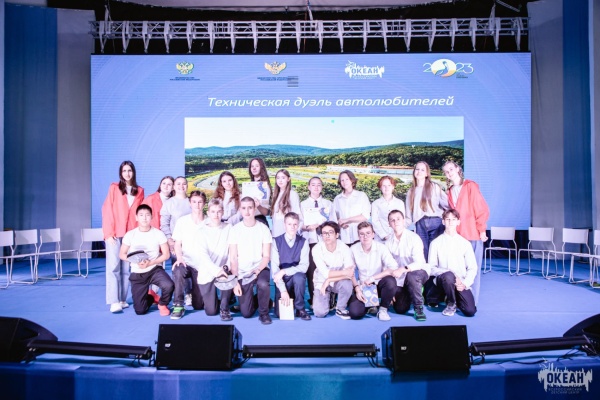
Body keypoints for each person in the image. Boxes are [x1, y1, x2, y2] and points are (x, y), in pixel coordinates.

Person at [442, 160, 489, 305]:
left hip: (472, 234)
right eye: (446, 171)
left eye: (451, 169)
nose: (449, 173)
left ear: (457, 169)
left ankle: (471, 301)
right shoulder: (450, 191)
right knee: (458, 269)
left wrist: (482, 229)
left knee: (472, 269)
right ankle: (458, 298)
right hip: (457, 236)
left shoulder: (470, 186)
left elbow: (481, 209)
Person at [102, 160, 144, 313]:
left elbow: (140, 213)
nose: (127, 173)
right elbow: (107, 210)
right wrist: (108, 234)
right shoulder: (114, 188)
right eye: (124, 170)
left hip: (130, 235)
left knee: (126, 269)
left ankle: (122, 299)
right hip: (114, 233)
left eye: (129, 170)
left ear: (133, 172)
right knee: (113, 267)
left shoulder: (140, 190)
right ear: (121, 173)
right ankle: (113, 301)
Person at [119, 204, 173, 316]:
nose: (144, 218)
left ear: (152, 217)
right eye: (141, 215)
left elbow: (166, 255)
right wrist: (135, 261)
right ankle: (151, 297)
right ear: (136, 217)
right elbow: (122, 254)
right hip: (137, 272)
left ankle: (162, 304)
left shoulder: (158, 233)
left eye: (147, 215)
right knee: (140, 311)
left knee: (169, 285)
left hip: (154, 269)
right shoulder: (130, 235)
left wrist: (151, 263)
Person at [425, 209, 478, 317]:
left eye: (453, 219)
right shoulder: (435, 243)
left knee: (470, 311)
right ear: (443, 221)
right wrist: (451, 274)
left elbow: (472, 268)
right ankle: (451, 303)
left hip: (460, 282)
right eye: (448, 219)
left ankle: (450, 296)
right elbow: (431, 268)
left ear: (458, 222)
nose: (450, 222)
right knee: (449, 276)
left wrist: (465, 283)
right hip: (442, 280)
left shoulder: (465, 243)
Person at [229, 196, 273, 324]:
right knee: (246, 313)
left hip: (260, 268)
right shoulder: (235, 230)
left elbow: (266, 256)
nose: (247, 211)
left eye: (250, 208)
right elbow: (233, 258)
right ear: (240, 210)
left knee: (263, 284)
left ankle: (264, 313)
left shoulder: (263, 228)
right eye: (244, 208)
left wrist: (258, 270)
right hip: (242, 271)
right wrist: (235, 281)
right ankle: (264, 300)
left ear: (254, 209)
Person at [347, 222, 398, 321]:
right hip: (363, 286)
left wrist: (373, 278)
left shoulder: (381, 247)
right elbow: (349, 272)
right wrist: (357, 289)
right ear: (358, 236)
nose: (365, 236)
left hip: (379, 284)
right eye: (362, 234)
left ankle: (383, 309)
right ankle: (370, 305)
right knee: (355, 313)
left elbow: (393, 267)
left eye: (368, 233)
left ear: (373, 234)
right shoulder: (353, 249)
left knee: (390, 281)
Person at [386, 209, 430, 321]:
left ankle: (418, 308)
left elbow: (419, 262)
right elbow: (387, 266)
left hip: (418, 272)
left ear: (404, 220)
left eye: (398, 219)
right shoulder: (388, 242)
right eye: (392, 220)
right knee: (400, 308)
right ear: (389, 223)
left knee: (412, 276)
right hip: (400, 278)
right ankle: (413, 291)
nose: (395, 222)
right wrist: (389, 291)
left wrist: (403, 269)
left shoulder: (414, 238)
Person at [170, 191, 208, 319]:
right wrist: (179, 258)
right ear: (190, 203)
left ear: (204, 203)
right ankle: (178, 305)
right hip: (186, 262)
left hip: (202, 266)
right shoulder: (182, 221)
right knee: (178, 269)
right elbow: (177, 243)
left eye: (200, 202)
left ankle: (193, 294)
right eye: (194, 202)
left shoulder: (209, 222)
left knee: (198, 305)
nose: (197, 205)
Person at [405, 161, 449, 261]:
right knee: (423, 250)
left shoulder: (435, 187)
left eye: (422, 170)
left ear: (426, 173)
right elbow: (408, 215)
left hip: (436, 222)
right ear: (414, 172)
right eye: (417, 169)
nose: (419, 172)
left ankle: (437, 270)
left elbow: (447, 204)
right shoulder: (411, 191)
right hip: (420, 223)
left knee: (435, 250)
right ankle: (426, 270)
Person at [271, 212, 311, 321]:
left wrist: (284, 271)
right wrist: (283, 291)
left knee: (299, 277)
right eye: (289, 224)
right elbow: (275, 270)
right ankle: (287, 297)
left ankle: (300, 308)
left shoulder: (303, 242)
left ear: (298, 225)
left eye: (295, 224)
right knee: (279, 314)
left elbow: (304, 267)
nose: (292, 227)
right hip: (282, 280)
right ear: (284, 225)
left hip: (296, 279)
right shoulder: (276, 241)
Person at [311, 221, 354, 319]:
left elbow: (350, 273)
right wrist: (342, 273)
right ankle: (330, 298)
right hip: (321, 281)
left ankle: (340, 308)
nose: (327, 235)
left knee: (347, 284)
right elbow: (326, 273)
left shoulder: (345, 248)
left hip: (338, 281)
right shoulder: (316, 249)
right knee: (319, 313)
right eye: (324, 233)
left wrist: (329, 280)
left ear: (337, 234)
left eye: (330, 232)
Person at [300, 176, 333, 306]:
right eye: (313, 184)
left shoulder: (328, 204)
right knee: (312, 271)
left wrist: (325, 226)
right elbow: (299, 224)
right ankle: (314, 300)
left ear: (322, 187)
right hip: (310, 241)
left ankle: (330, 299)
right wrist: (308, 227)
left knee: (328, 269)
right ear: (309, 187)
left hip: (326, 242)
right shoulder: (303, 205)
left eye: (319, 184)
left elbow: (334, 223)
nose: (316, 187)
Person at [330, 170, 371, 245]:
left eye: (347, 179)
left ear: (352, 180)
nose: (344, 182)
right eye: (342, 180)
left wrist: (346, 220)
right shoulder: (337, 199)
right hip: (344, 237)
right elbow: (334, 217)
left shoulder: (361, 196)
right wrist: (340, 223)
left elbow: (365, 216)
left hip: (359, 236)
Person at [160, 176, 192, 261]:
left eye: (184, 184)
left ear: (187, 186)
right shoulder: (169, 203)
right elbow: (164, 224)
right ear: (174, 186)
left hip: (192, 243)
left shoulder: (192, 202)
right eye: (178, 184)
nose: (181, 186)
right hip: (176, 244)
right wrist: (170, 241)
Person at [371, 176, 406, 242]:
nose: (386, 188)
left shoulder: (400, 203)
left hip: (397, 238)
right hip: (380, 238)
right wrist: (384, 236)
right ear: (380, 188)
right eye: (384, 186)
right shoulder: (375, 203)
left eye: (389, 185)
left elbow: (402, 221)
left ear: (393, 187)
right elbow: (375, 221)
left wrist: (397, 235)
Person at [271, 169, 302, 237]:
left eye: (283, 178)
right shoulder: (275, 195)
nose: (280, 180)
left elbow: (296, 214)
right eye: (278, 178)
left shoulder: (293, 194)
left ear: (288, 179)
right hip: (276, 231)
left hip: (288, 233)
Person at [247, 157, 272, 226]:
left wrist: (258, 206)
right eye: (252, 166)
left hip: (260, 221)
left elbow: (266, 212)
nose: (254, 168)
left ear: (261, 168)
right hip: (248, 220)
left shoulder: (264, 187)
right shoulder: (249, 186)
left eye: (257, 166)